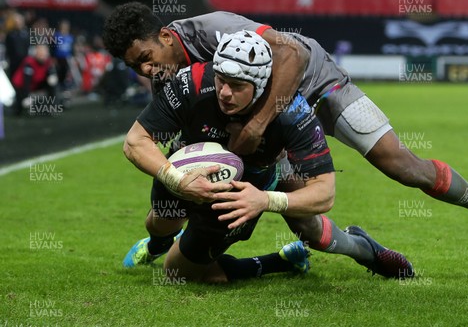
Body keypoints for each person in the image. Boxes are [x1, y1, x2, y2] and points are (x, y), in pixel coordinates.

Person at [103, 2, 468, 264]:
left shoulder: (213, 30)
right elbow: (154, 146)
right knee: (300, 216)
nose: (146, 69)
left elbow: (292, 54)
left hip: (316, 83)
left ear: (164, 36)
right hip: (263, 122)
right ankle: (366, 252)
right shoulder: (169, 80)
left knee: (401, 164)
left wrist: (258, 125)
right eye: (134, 66)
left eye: (146, 56)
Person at [121, 30, 413, 283]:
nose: (224, 92)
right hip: (186, 165)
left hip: (248, 183)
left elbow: (325, 193)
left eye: (237, 86)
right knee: (159, 222)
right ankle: (158, 242)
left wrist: (264, 200)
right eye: (221, 80)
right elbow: (135, 142)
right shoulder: (192, 83)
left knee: (176, 274)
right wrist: (177, 180)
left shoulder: (292, 111)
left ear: (260, 86)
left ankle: (313, 256)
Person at [10, 44, 58, 116]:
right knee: (19, 107)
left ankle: (52, 106)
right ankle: (17, 109)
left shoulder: (48, 61)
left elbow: (51, 72)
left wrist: (52, 76)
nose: (43, 55)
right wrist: (26, 96)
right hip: (21, 85)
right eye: (40, 53)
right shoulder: (29, 62)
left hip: (36, 82)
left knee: (52, 83)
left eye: (44, 53)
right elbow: (26, 82)